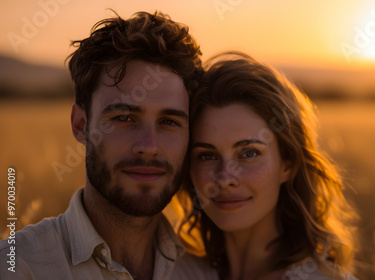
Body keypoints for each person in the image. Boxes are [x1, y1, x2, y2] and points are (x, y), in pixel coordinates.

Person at [0, 11, 217, 280]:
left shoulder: (205, 273)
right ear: (81, 125)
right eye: (124, 118)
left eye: (169, 122)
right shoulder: (16, 267)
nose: (149, 146)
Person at [177, 52, 358, 280]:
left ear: (287, 164)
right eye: (207, 156)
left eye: (249, 153)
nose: (225, 178)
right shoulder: (174, 272)